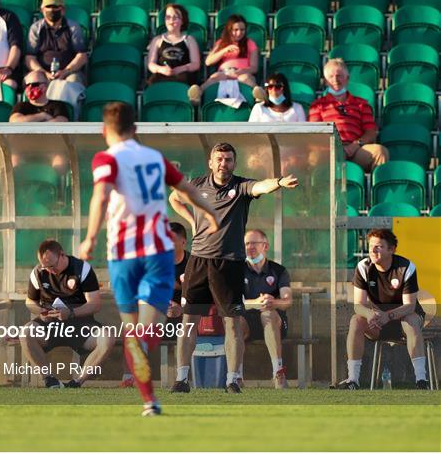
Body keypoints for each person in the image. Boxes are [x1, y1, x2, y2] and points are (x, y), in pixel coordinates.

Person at [78, 101, 220, 416]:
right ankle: (147, 380)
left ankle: (149, 400)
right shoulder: (156, 158)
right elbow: (187, 189)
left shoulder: (106, 158)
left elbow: (100, 195)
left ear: (104, 131)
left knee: (131, 332)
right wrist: (210, 215)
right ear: (136, 129)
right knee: (146, 332)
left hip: (124, 255)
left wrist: (88, 238)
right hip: (158, 253)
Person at [168, 142, 298, 393]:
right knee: (189, 321)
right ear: (210, 162)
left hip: (229, 263)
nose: (223, 164)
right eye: (219, 159)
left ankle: (233, 379)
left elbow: (261, 186)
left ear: (234, 163)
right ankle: (182, 378)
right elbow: (174, 197)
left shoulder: (240, 186)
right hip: (199, 261)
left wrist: (279, 182)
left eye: (228, 160)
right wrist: (192, 221)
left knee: (232, 321)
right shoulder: (196, 184)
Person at [337, 229, 428, 390]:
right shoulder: (363, 267)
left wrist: (389, 315)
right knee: (356, 320)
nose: (373, 250)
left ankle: (421, 381)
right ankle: (353, 380)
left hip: (404, 320)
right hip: (378, 322)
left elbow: (410, 306)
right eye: (371, 246)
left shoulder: (406, 267)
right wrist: (370, 314)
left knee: (411, 320)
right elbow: (358, 305)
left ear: (391, 249)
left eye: (378, 246)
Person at [21, 239, 115, 388]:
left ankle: (76, 383)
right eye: (45, 267)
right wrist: (41, 311)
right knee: (25, 333)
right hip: (49, 325)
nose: (49, 270)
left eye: (52, 266)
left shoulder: (82, 269)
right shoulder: (38, 272)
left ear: (62, 255)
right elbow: (29, 302)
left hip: (80, 325)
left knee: (108, 337)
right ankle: (49, 380)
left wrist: (71, 313)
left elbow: (95, 304)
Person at [120, 221, 190, 388]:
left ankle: (183, 379)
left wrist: (181, 309)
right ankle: (131, 376)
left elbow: (201, 294)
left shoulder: (194, 263)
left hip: (187, 315)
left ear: (183, 242)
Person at [308, 58, 389, 172]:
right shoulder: (317, 105)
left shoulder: (361, 103)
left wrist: (355, 145)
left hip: (356, 150)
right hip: (330, 151)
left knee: (380, 152)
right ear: (326, 81)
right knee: (314, 157)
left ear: (347, 78)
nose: (335, 80)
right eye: (331, 77)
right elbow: (314, 134)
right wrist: (335, 148)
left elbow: (371, 133)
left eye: (339, 75)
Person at [241, 229, 292, 388]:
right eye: (247, 243)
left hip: (275, 323)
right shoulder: (237, 270)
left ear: (265, 246)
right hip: (247, 322)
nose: (250, 247)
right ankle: (236, 377)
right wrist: (255, 303)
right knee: (235, 322)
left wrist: (273, 302)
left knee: (268, 314)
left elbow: (288, 300)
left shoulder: (279, 271)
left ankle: (278, 373)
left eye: (254, 243)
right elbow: (233, 302)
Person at [187, 14, 266, 106]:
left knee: (246, 78)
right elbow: (208, 62)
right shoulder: (221, 43)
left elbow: (254, 67)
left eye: (242, 30)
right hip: (224, 72)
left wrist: (239, 72)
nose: (239, 33)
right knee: (215, 76)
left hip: (242, 73)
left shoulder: (250, 43)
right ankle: (198, 93)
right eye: (236, 30)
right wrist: (225, 50)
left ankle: (258, 95)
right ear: (229, 30)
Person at [25, 0, 88, 86]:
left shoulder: (73, 27)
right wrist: (44, 73)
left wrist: (65, 72)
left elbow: (82, 56)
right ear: (42, 10)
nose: (51, 10)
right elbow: (29, 57)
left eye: (55, 7)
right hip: (42, 72)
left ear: (63, 10)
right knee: (33, 80)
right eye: (48, 7)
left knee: (73, 81)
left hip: (69, 72)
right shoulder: (36, 28)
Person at [147, 4, 200, 86]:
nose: (171, 20)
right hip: (162, 75)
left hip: (182, 76)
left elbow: (196, 64)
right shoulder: (157, 40)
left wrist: (181, 69)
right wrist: (161, 69)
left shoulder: (189, 39)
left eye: (175, 17)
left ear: (182, 21)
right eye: (168, 17)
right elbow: (151, 64)